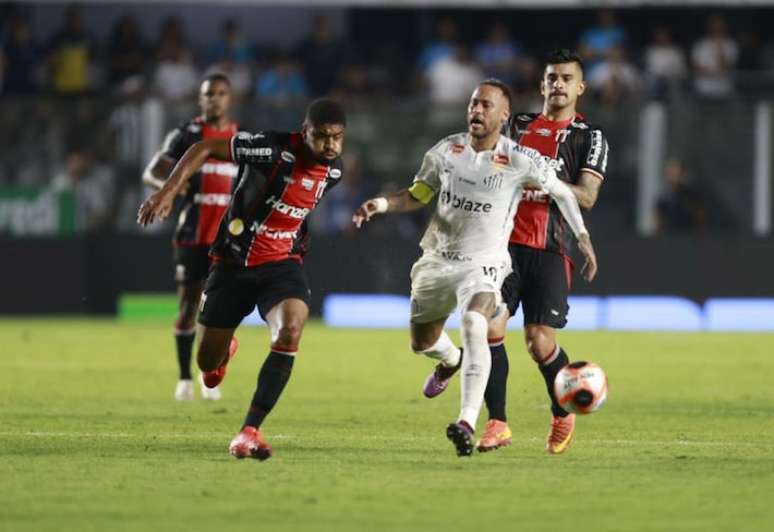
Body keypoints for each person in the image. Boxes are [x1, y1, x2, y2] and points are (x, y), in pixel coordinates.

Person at [352, 80, 596, 457]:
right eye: (472, 104)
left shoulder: (518, 158)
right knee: (422, 342)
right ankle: (451, 361)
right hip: (437, 259)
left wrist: (581, 236)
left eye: (485, 105)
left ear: (503, 116)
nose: (476, 111)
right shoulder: (446, 150)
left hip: (485, 264)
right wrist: (381, 205)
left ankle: (469, 421)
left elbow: (564, 192)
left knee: (477, 323)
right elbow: (418, 194)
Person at [138, 98, 346, 461]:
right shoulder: (272, 148)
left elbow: (293, 210)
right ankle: (223, 353)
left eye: (337, 138)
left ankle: (249, 431)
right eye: (322, 136)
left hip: (282, 266)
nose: (330, 145)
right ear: (305, 130)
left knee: (291, 328)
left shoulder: (334, 172)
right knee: (206, 365)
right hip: (232, 264)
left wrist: (296, 237)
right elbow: (203, 147)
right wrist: (167, 191)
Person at [478, 49, 610, 455]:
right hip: (503, 246)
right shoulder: (516, 125)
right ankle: (497, 422)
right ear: (542, 85)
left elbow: (586, 196)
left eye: (566, 78)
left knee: (538, 341)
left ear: (580, 88)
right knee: (488, 327)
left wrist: (544, 183)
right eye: (552, 77)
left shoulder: (590, 137)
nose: (558, 84)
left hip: (552, 247)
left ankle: (562, 411)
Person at [142, 73, 239, 402]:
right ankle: (184, 378)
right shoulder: (186, 134)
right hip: (192, 233)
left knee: (220, 311)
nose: (214, 99)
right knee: (187, 307)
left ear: (230, 98)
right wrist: (170, 188)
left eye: (220, 93)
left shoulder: (242, 139)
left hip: (227, 239)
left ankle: (208, 373)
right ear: (200, 99)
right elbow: (152, 171)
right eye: (208, 94)